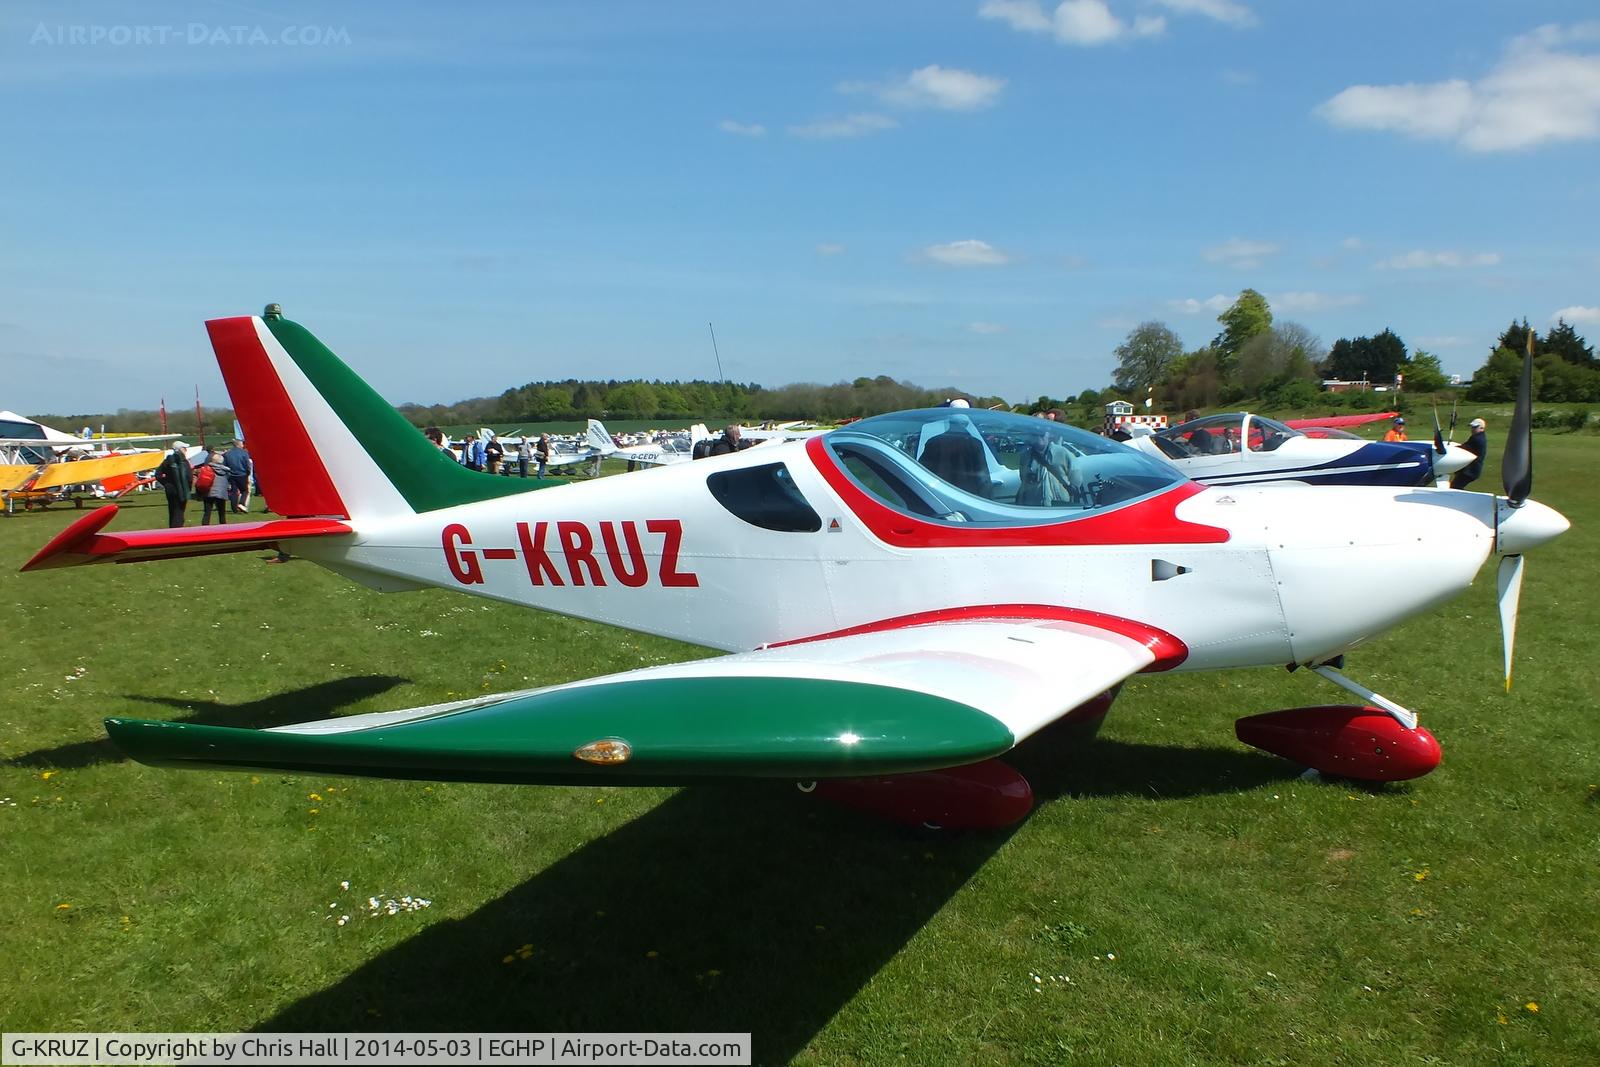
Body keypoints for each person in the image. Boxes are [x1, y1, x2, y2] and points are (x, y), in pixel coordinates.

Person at [153, 441, 193, 528]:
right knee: (180, 512)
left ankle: (172, 529)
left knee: (172, 511)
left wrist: (166, 483)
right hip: (182, 490)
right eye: (184, 448)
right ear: (179, 449)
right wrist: (188, 489)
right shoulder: (183, 461)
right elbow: (189, 478)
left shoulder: (167, 461)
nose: (186, 450)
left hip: (170, 490)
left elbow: (157, 474)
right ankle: (177, 531)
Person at [1451, 417, 1488, 490]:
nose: (1472, 429)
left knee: (1455, 487)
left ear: (1481, 428)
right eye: (1472, 427)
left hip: (1470, 470)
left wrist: (1452, 448)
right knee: (1456, 487)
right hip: (1470, 470)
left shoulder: (1477, 439)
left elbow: (1465, 448)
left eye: (1475, 427)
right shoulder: (1478, 437)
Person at [199, 450, 231, 525]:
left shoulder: (207, 468)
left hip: (209, 491)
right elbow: (229, 479)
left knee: (207, 512)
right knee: (222, 512)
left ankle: (205, 526)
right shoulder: (225, 470)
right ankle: (223, 526)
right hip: (221, 492)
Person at [222, 438, 252, 513]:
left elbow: (224, 465)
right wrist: (248, 473)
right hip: (242, 474)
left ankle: (234, 509)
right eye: (242, 444)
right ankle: (241, 504)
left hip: (232, 475)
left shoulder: (227, 453)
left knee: (234, 492)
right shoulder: (244, 453)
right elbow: (247, 465)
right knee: (245, 491)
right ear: (239, 444)